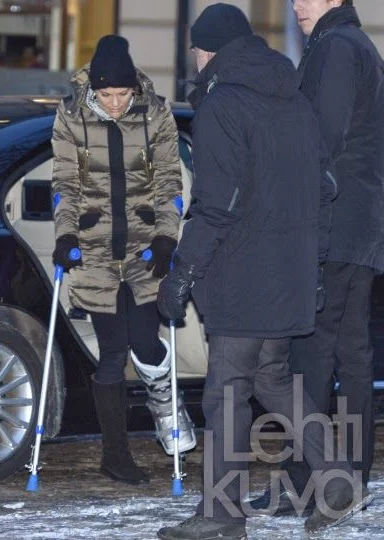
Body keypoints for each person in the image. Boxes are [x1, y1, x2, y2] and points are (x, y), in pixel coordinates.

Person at [155, 3, 370, 539]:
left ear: (207, 51)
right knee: (273, 379)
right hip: (291, 274)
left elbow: (216, 203)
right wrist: (313, 264)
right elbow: (325, 188)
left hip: (242, 275)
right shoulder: (293, 98)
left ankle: (221, 516)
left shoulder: (223, 105)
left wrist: (181, 272)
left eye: (198, 52)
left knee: (226, 389)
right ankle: (337, 474)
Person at [251, 0, 384, 516]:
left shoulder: (334, 48)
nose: (296, 5)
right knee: (351, 356)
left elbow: (319, 143)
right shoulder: (357, 46)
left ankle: (308, 480)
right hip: (358, 226)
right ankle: (348, 476)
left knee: (306, 358)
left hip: (332, 227)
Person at [51, 35, 196, 485]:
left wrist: (166, 240)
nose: (114, 104)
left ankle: (165, 403)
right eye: (106, 95)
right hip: (94, 252)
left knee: (146, 344)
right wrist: (66, 235)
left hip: (144, 249)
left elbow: (170, 184)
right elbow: (65, 183)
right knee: (113, 353)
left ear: (134, 87)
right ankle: (115, 455)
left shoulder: (155, 114)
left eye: (122, 94)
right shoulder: (71, 115)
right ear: (93, 90)